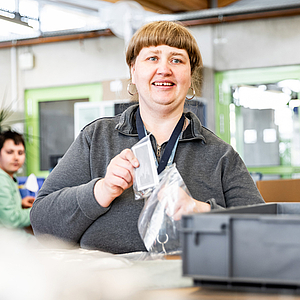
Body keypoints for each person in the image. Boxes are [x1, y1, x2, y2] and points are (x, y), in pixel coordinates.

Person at [30, 21, 264, 254]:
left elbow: (263, 233)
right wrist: (102, 190)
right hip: (108, 288)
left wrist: (201, 211)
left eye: (176, 60)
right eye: (152, 58)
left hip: (190, 287)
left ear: (190, 74)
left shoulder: (220, 155)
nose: (164, 69)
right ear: (133, 70)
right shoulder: (96, 139)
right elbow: (42, 224)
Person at [0, 130, 35, 229]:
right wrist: (37, 212)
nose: (16, 157)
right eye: (10, 152)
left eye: (20, 153)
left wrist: (19, 203)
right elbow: (10, 220)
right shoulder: (1, 179)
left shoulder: (9, 177)